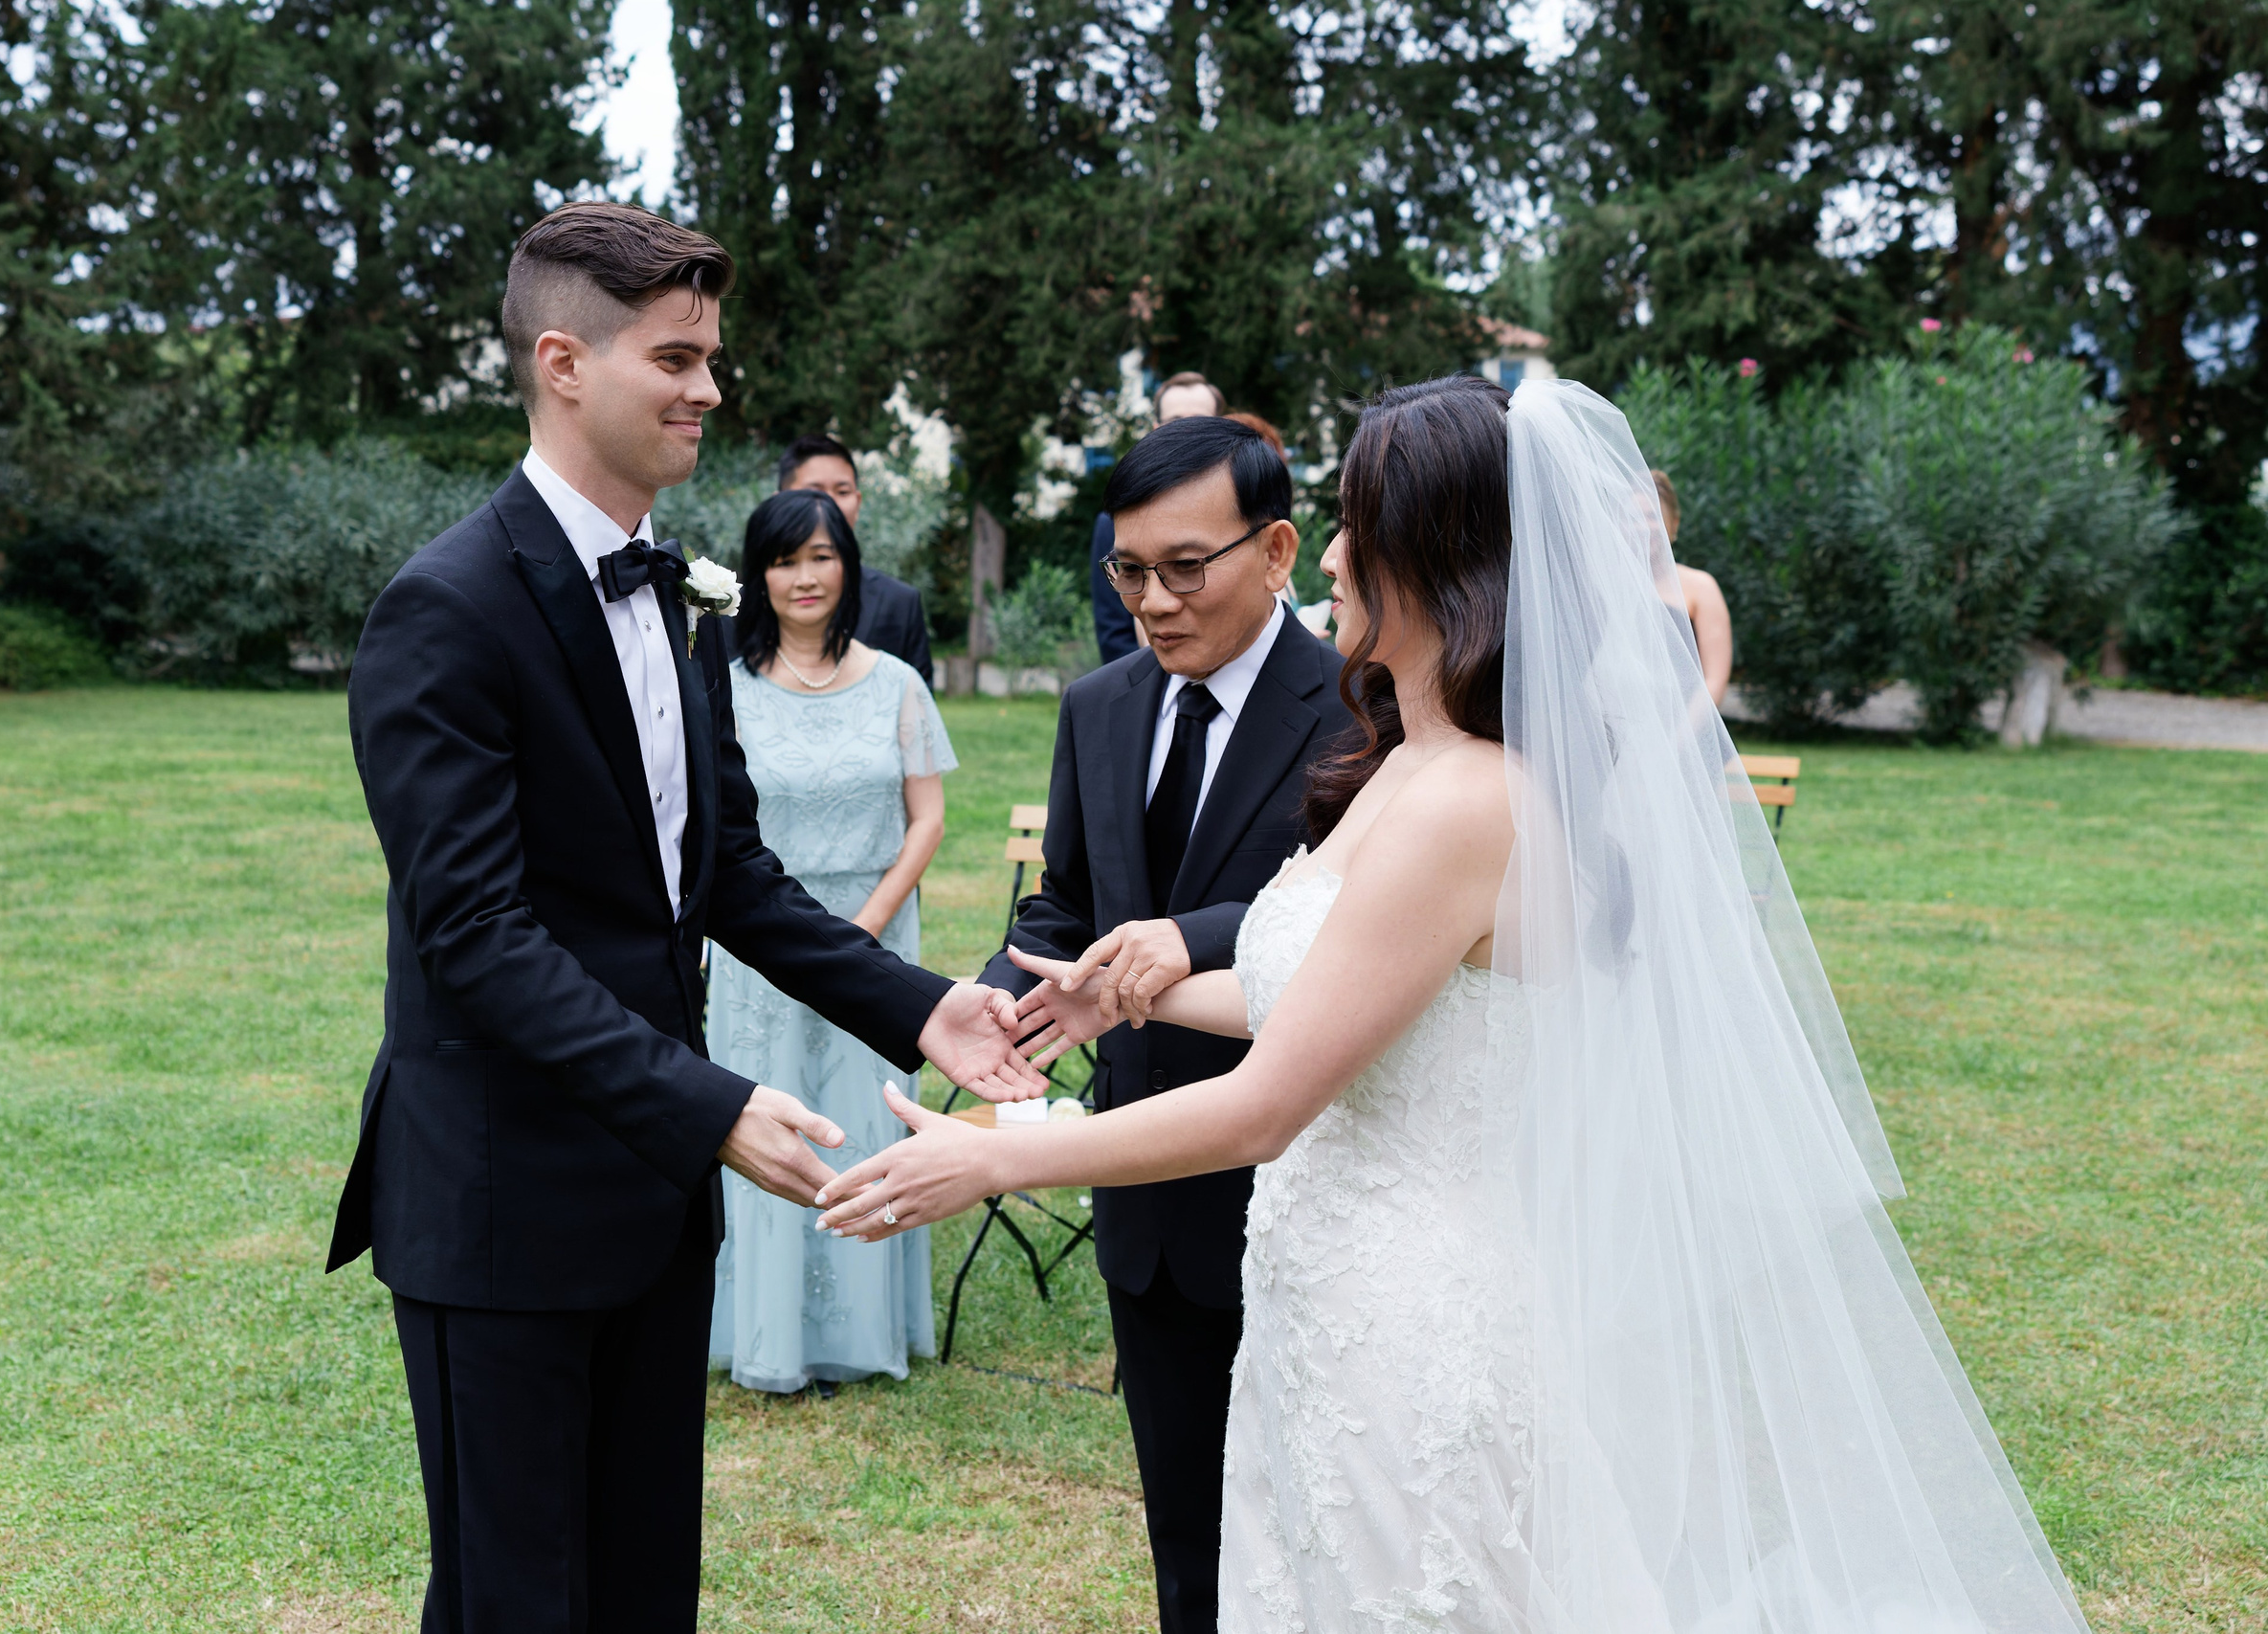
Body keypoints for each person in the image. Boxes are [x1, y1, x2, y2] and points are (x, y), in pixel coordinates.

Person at [818, 377, 2093, 1632]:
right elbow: (1329, 1000)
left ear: (1433, 552)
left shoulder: (1467, 797)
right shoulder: (1411, 760)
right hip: (1322, 1298)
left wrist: (995, 1152)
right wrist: (1130, 1000)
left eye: (1352, 520)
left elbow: (1268, 1108)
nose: (1324, 551)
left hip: (1409, 1331)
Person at [328, 201, 1043, 1634]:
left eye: (712, 357)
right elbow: (476, 936)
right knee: (516, 1600)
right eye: (677, 356)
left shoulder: (675, 596)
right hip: (503, 1204)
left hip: (653, 1205)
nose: (712, 390)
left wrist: (919, 1005)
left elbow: (721, 875)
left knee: (647, 1586)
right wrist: (712, 1102)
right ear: (563, 362)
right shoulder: (445, 610)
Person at [977, 414, 1354, 1634]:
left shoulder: (1365, 704)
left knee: (1328, 1526)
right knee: (1184, 1532)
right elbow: (1071, 901)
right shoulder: (1098, 705)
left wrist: (1190, 937)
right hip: (1142, 1184)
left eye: (1185, 567)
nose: (1152, 599)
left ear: (1279, 548)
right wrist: (1002, 1001)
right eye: (1127, 570)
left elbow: (1367, 908)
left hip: (1312, 1177)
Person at [705, 487, 957, 1395]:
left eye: (820, 556)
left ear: (847, 565)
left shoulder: (897, 682)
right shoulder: (722, 687)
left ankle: (864, 1330)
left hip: (872, 930)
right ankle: (765, 1334)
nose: (803, 576)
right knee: (766, 1123)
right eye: (782, 559)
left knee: (863, 1123)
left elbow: (926, 818)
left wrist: (868, 925)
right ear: (756, 576)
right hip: (754, 943)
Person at [1093, 371, 1228, 666]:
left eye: (1199, 420)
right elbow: (1113, 633)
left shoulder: (1242, 513)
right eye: (1175, 420)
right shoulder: (1114, 523)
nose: (1187, 431)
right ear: (1156, 428)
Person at [778, 433, 934, 685]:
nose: (830, 504)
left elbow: (919, 706)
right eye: (814, 492)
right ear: (779, 502)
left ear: (858, 503)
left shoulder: (900, 602)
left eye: (842, 491)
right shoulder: (737, 604)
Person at [1649, 467, 1733, 706]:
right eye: (1633, 517)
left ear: (1674, 523)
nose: (1643, 526)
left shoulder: (1701, 587)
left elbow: (1714, 681)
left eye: (1653, 516)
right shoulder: (1605, 588)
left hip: (1681, 729)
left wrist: (1680, 741)